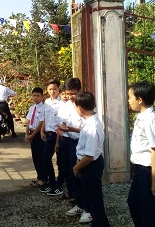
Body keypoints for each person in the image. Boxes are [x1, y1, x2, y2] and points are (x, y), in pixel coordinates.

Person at [127, 81, 155, 227]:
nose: (129, 101)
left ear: (140, 99)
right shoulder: (142, 116)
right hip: (141, 170)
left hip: (149, 171)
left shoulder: (150, 119)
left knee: (148, 213)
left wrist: (154, 181)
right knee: (134, 203)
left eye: (130, 97)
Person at [72, 92, 110, 227]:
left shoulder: (92, 126)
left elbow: (89, 155)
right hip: (86, 163)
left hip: (91, 164)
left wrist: (76, 167)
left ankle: (100, 224)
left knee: (94, 199)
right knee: (90, 197)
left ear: (80, 108)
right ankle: (100, 222)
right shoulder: (88, 122)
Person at [58, 77, 89, 223]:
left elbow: (87, 128)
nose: (70, 96)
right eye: (68, 93)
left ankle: (87, 207)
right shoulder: (65, 105)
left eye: (73, 93)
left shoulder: (85, 104)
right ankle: (79, 203)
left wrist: (69, 129)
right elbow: (63, 123)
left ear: (79, 91)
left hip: (79, 143)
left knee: (80, 174)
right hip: (66, 141)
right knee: (69, 173)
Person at [39, 79, 64, 196]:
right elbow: (45, 117)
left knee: (60, 162)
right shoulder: (47, 102)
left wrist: (57, 142)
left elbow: (61, 123)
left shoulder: (61, 104)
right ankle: (51, 182)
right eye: (50, 89)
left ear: (58, 89)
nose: (52, 91)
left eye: (54, 89)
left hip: (57, 135)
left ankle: (59, 185)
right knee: (45, 159)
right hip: (48, 134)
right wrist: (42, 130)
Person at [25, 87, 46, 187]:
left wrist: (33, 135)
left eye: (38, 96)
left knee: (41, 156)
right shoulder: (32, 108)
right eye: (34, 96)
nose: (36, 98)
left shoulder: (43, 108)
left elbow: (41, 123)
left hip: (38, 134)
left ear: (42, 97)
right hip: (31, 133)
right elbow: (28, 120)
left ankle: (43, 178)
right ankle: (39, 176)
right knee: (35, 157)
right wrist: (26, 133)